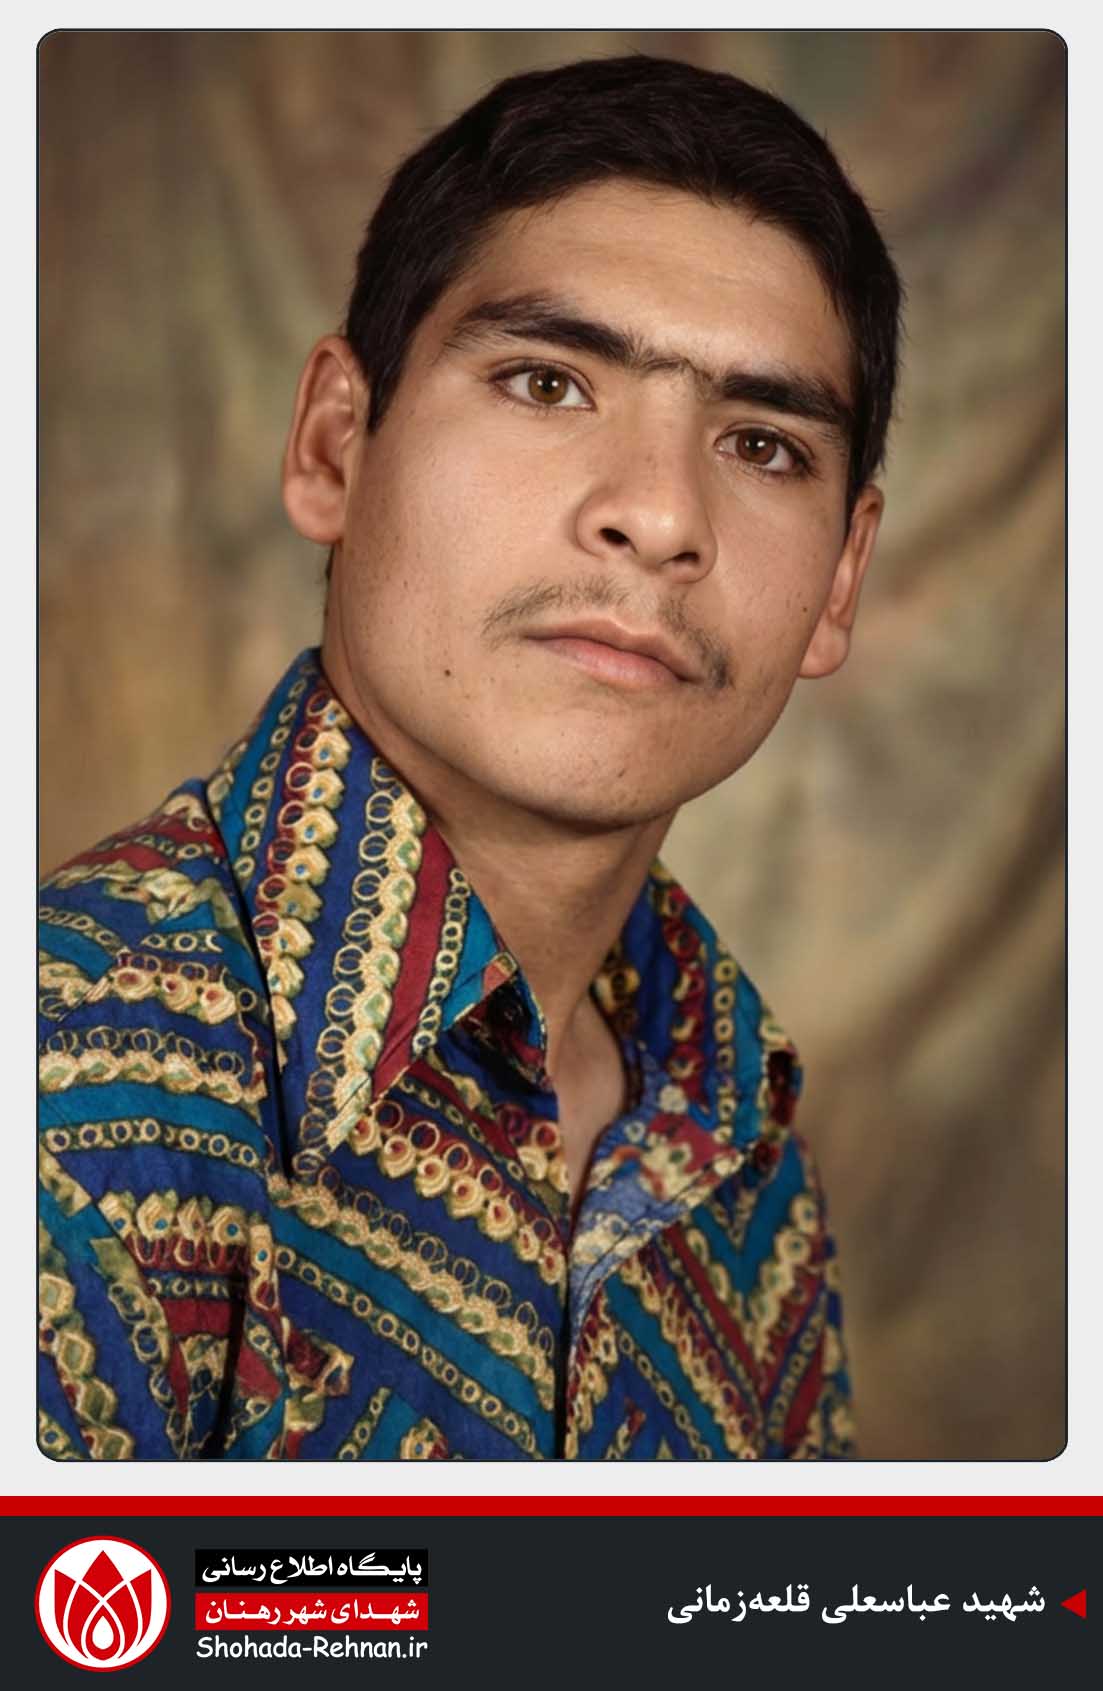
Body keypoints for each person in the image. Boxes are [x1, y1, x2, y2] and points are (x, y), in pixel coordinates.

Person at [38, 54, 901, 1461]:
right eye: (546, 382)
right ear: (336, 445)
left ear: (842, 577)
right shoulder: (68, 1089)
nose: (660, 516)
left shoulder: (735, 1145)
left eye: (760, 444)